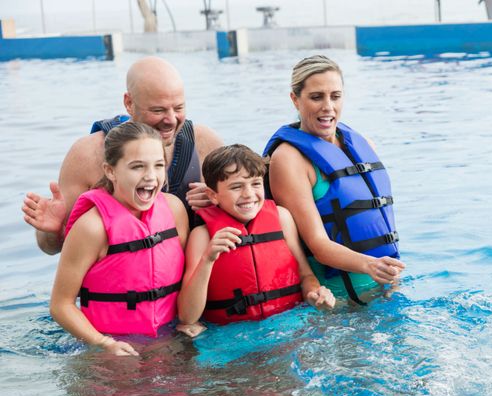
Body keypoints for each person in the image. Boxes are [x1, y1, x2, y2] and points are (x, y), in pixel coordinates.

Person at [21, 56, 222, 255]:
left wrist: (220, 199)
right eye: (158, 110)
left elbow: (248, 206)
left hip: (193, 281)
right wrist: (54, 230)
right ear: (129, 103)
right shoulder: (88, 155)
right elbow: (52, 247)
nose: (170, 120)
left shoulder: (204, 144)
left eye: (178, 108)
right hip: (120, 283)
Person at [263, 55, 405, 305]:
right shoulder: (289, 159)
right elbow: (318, 244)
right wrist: (371, 265)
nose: (328, 106)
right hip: (335, 299)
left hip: (385, 285)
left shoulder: (362, 145)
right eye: (316, 97)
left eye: (335, 96)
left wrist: (387, 272)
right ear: (295, 99)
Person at [50, 122, 189, 356]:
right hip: (111, 351)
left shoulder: (174, 209)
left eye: (158, 165)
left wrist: (190, 320)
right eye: (137, 167)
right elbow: (60, 305)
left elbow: (185, 279)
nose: (151, 176)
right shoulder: (92, 227)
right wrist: (103, 343)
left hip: (169, 340)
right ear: (110, 171)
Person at [178, 144, 335, 327]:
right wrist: (208, 258)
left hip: (289, 323)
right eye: (236, 187)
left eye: (256, 184)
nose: (249, 194)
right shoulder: (202, 237)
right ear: (213, 196)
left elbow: (305, 275)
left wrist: (314, 293)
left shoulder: (282, 217)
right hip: (231, 337)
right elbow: (187, 317)